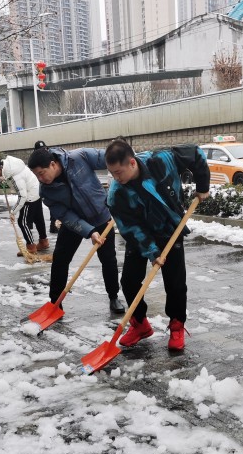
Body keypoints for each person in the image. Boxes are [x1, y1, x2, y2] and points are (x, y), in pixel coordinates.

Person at [104, 138, 210, 351]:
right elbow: (131, 228)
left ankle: (177, 326)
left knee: (175, 283)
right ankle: (140, 324)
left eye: (119, 172)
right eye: (112, 173)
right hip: (141, 235)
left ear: (132, 163)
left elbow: (196, 154)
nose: (116, 178)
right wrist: (152, 251)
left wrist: (203, 186)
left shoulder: (161, 160)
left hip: (171, 228)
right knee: (130, 281)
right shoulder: (116, 194)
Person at [27, 146, 125, 314]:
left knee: (108, 259)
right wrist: (89, 231)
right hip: (74, 222)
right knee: (60, 259)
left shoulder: (79, 157)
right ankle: (55, 302)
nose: (40, 179)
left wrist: (125, 170)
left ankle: (113, 296)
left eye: (41, 173)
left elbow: (111, 157)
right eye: (36, 175)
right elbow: (64, 215)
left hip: (101, 215)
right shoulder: (46, 191)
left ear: (52, 164)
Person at [0, 155, 49, 254]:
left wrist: (13, 212)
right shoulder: (13, 166)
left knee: (22, 222)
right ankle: (43, 242)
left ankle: (31, 248)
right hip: (36, 191)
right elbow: (15, 182)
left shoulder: (15, 175)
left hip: (30, 197)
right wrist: (4, 179)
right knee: (38, 219)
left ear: (0, 167)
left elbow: (22, 196)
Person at [34, 140, 60, 233]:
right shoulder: (35, 162)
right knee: (53, 207)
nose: (43, 151)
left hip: (56, 185)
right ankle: (53, 228)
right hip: (46, 188)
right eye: (40, 150)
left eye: (44, 149)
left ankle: (56, 227)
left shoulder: (52, 157)